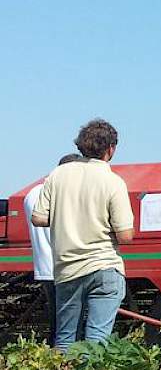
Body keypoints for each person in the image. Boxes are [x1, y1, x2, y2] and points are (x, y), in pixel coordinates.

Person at [30, 119, 135, 353]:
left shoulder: (58, 175)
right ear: (111, 149)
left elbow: (37, 218)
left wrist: (66, 216)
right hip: (104, 266)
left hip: (67, 270)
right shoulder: (113, 181)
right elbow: (126, 235)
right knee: (96, 341)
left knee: (65, 340)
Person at [23, 153, 86, 346]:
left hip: (45, 268)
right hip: (69, 266)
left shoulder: (32, 194)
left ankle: (54, 362)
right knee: (72, 325)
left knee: (57, 321)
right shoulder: (64, 193)